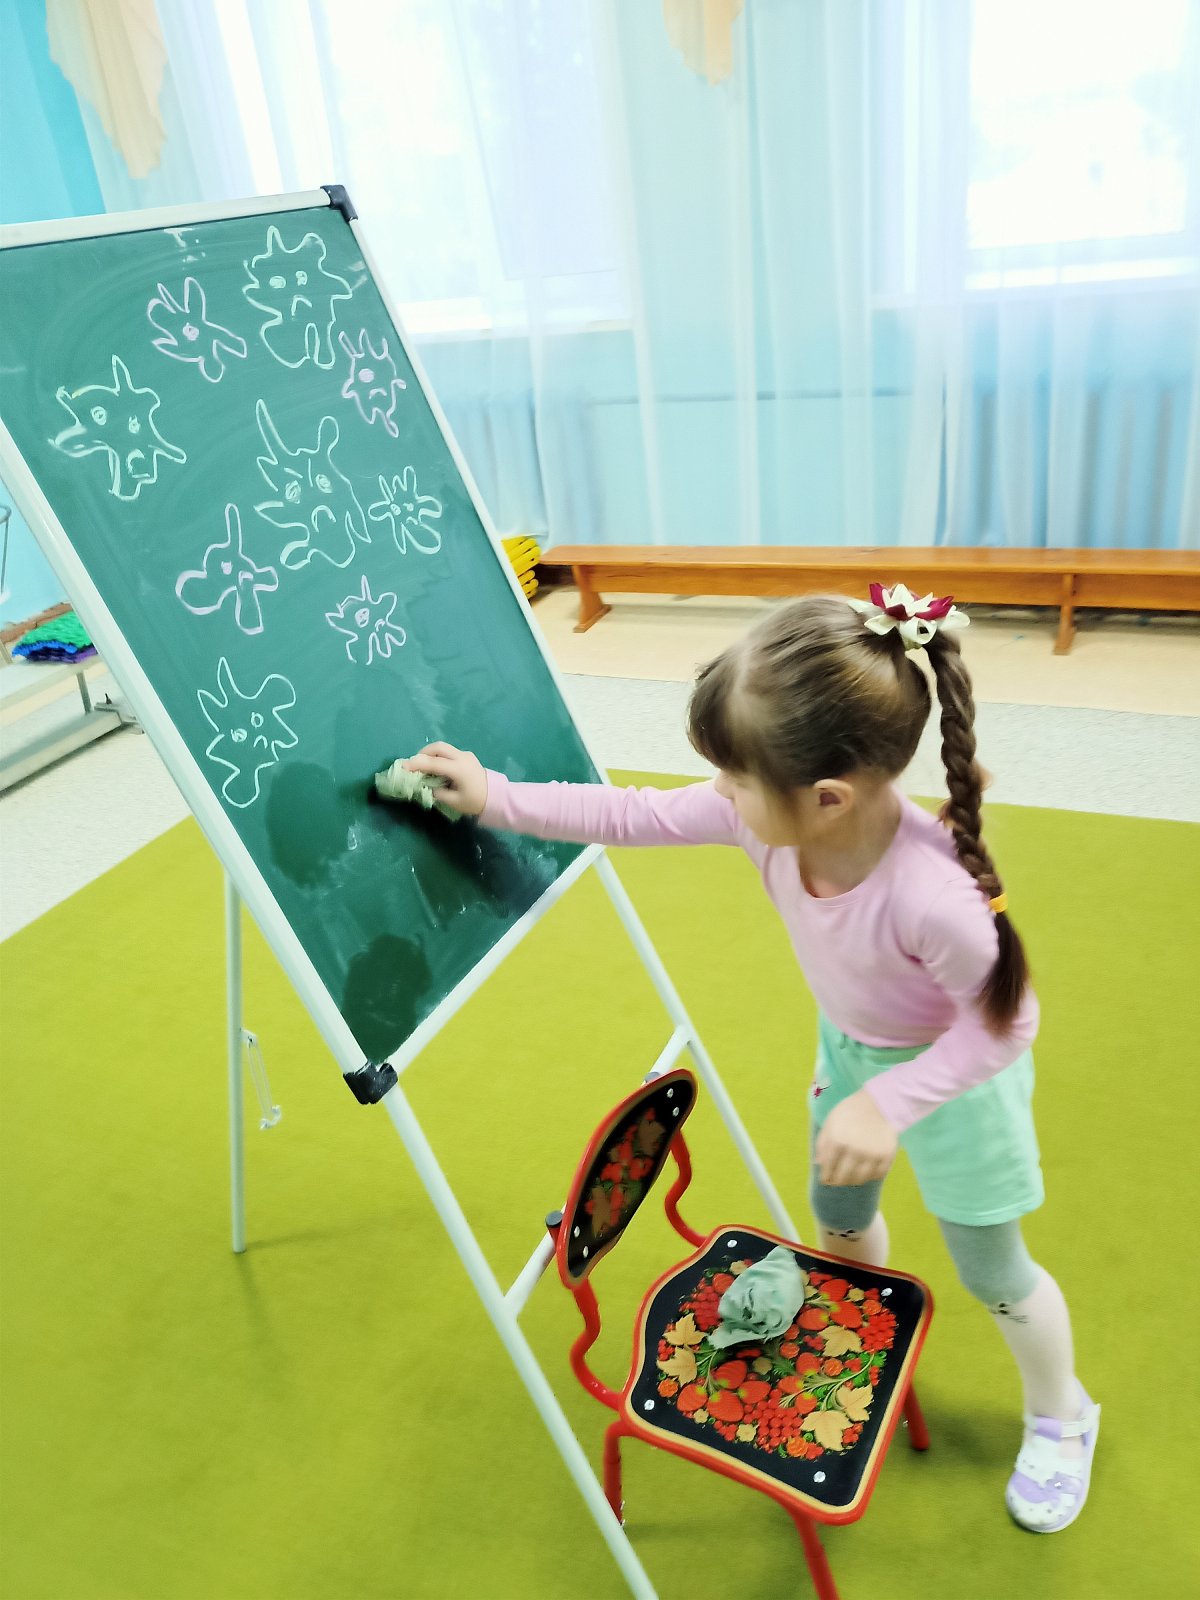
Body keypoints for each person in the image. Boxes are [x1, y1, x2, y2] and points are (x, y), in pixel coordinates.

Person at [405, 584, 1099, 1533]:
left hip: (955, 1084)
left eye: (733, 779)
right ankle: (859, 1323)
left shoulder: (933, 895)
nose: (719, 795)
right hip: (849, 1056)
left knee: (994, 1274)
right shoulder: (763, 814)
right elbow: (634, 813)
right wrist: (497, 798)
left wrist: (890, 1103)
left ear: (826, 799)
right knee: (838, 1219)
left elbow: (1006, 1026)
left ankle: (1064, 1415)